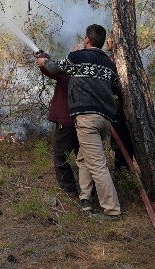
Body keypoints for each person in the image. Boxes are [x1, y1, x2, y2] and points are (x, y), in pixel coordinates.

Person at [36, 24, 121, 219]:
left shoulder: (78, 57)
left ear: (87, 40)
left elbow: (54, 67)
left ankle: (112, 210)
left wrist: (43, 60)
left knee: (97, 165)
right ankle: (85, 200)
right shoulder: (109, 64)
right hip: (105, 120)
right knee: (83, 158)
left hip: (86, 119)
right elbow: (116, 89)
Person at [37, 52, 79, 196]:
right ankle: (89, 192)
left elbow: (49, 68)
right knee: (85, 160)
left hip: (67, 123)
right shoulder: (86, 72)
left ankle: (70, 190)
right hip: (85, 122)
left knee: (60, 157)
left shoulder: (69, 72)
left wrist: (42, 57)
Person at [105, 34, 135, 170]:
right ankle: (122, 175)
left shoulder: (121, 61)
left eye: (110, 38)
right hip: (115, 111)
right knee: (118, 147)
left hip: (123, 112)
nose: (107, 41)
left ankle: (124, 175)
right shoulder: (109, 59)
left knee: (124, 144)